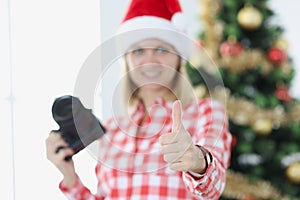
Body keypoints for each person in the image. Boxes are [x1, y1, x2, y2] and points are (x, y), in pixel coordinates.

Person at [45, 0, 233, 199]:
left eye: (161, 50)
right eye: (138, 51)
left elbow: (213, 188)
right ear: (128, 61)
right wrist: (70, 178)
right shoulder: (112, 131)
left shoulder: (206, 113)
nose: (150, 61)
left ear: (178, 57)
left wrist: (198, 162)